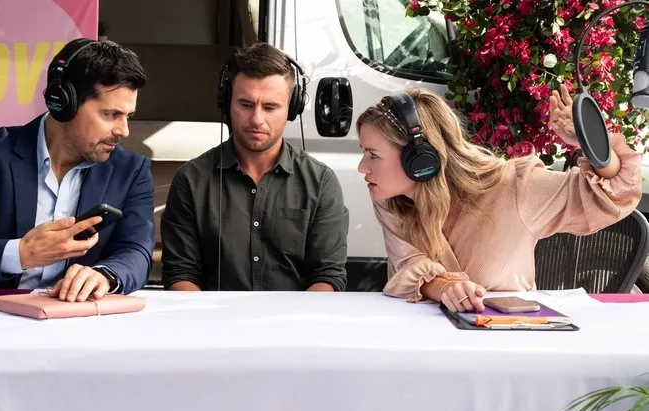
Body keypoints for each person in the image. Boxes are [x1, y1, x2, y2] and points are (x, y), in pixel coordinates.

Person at [0, 38, 155, 302]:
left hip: (80, 317)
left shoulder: (132, 170)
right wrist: (19, 254)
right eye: (111, 114)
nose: (124, 131)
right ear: (64, 103)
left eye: (128, 116)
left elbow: (136, 251)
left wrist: (105, 275)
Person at [356, 86, 641, 312]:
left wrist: (590, 143)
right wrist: (445, 289)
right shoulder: (392, 199)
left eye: (373, 155)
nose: (362, 167)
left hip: (510, 345)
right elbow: (408, 264)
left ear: (420, 158)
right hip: (431, 347)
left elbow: (614, 195)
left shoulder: (516, 187)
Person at [161, 42, 349, 292]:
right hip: (213, 316)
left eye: (270, 107)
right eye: (245, 105)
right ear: (226, 102)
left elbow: (328, 276)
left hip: (295, 317)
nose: (257, 119)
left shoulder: (321, 182)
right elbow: (180, 273)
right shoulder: (191, 180)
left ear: (292, 108)